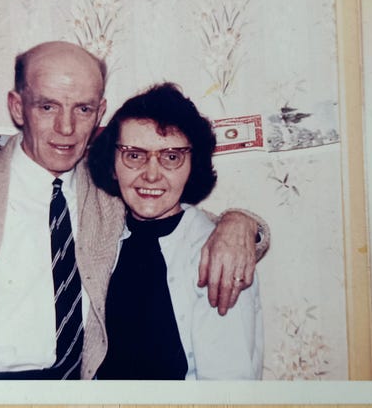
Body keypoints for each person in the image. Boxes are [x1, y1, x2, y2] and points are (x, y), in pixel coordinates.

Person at [0, 41, 269, 380]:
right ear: (18, 108)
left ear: (99, 111)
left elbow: (173, 219)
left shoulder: (107, 191)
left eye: (83, 108)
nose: (66, 127)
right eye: (48, 106)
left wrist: (241, 225)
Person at [88, 83, 263, 379]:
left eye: (171, 157)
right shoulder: (100, 235)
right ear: (113, 164)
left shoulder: (219, 255)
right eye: (134, 155)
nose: (152, 174)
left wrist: (242, 222)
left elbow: (228, 385)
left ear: (193, 165)